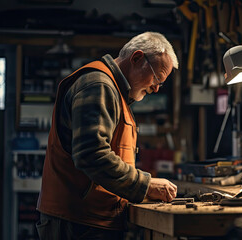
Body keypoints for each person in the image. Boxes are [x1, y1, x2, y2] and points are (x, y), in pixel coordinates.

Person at [36, 32, 178, 239]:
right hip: (77, 223)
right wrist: (145, 184)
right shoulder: (98, 85)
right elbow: (92, 155)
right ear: (137, 58)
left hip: (90, 219)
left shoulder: (115, 91)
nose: (156, 89)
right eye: (157, 78)